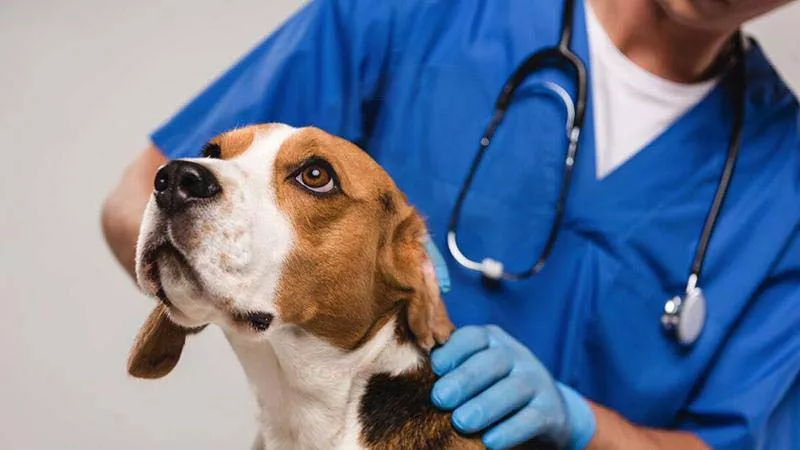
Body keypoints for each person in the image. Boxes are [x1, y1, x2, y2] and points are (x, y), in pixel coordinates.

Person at [102, 0, 800, 448]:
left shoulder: (786, 180)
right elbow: (146, 198)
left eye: (312, 178)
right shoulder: (414, 14)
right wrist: (219, 282)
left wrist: (579, 421)